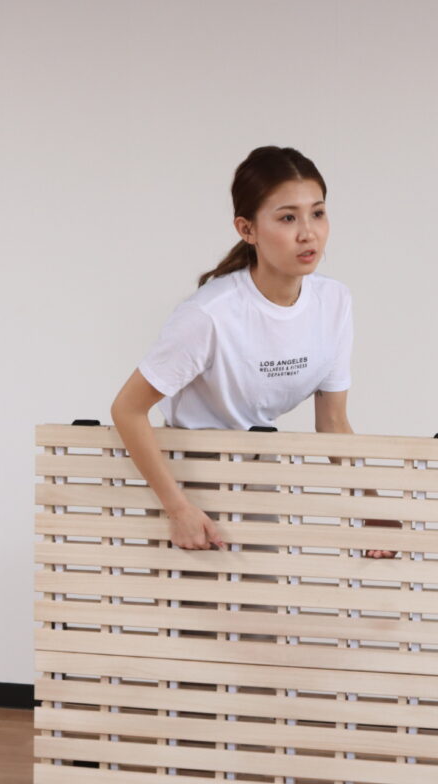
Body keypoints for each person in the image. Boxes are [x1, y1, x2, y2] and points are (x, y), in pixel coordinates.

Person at [111, 145, 396, 557]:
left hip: (258, 471)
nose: (308, 233)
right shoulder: (210, 314)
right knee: (204, 600)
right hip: (188, 477)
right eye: (287, 218)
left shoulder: (334, 302)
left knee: (265, 596)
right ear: (247, 230)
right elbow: (127, 409)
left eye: (317, 213)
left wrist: (374, 510)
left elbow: (333, 423)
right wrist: (178, 508)